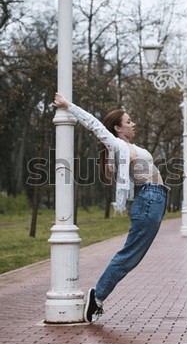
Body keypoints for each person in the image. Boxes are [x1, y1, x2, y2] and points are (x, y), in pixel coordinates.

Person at [53, 92, 169, 322]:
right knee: (130, 255)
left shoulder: (127, 147)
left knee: (133, 256)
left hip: (155, 200)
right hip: (149, 201)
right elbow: (94, 124)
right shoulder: (116, 144)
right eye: (128, 122)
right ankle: (97, 296)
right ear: (117, 128)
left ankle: (99, 296)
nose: (133, 124)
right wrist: (69, 106)